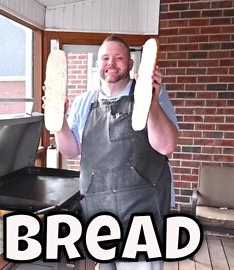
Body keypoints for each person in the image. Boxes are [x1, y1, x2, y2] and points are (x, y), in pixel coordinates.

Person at [46, 35, 179, 270]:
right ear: (98, 64)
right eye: (105, 58)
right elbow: (70, 151)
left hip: (143, 213)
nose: (111, 63)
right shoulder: (84, 102)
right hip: (101, 212)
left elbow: (166, 146)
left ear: (130, 64)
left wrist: (152, 103)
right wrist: (59, 121)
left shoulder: (151, 94)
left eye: (119, 58)